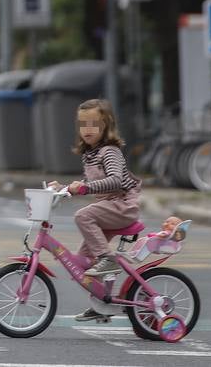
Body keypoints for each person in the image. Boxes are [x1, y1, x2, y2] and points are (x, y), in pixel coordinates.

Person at [59, 97, 142, 321]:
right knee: (84, 260)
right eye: (83, 124)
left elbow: (115, 180)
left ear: (106, 125)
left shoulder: (109, 151)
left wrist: (85, 188)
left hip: (123, 205)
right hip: (108, 207)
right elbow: (86, 185)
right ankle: (102, 304)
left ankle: (108, 258)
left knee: (83, 215)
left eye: (94, 124)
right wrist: (63, 188)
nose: (88, 129)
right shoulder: (90, 153)